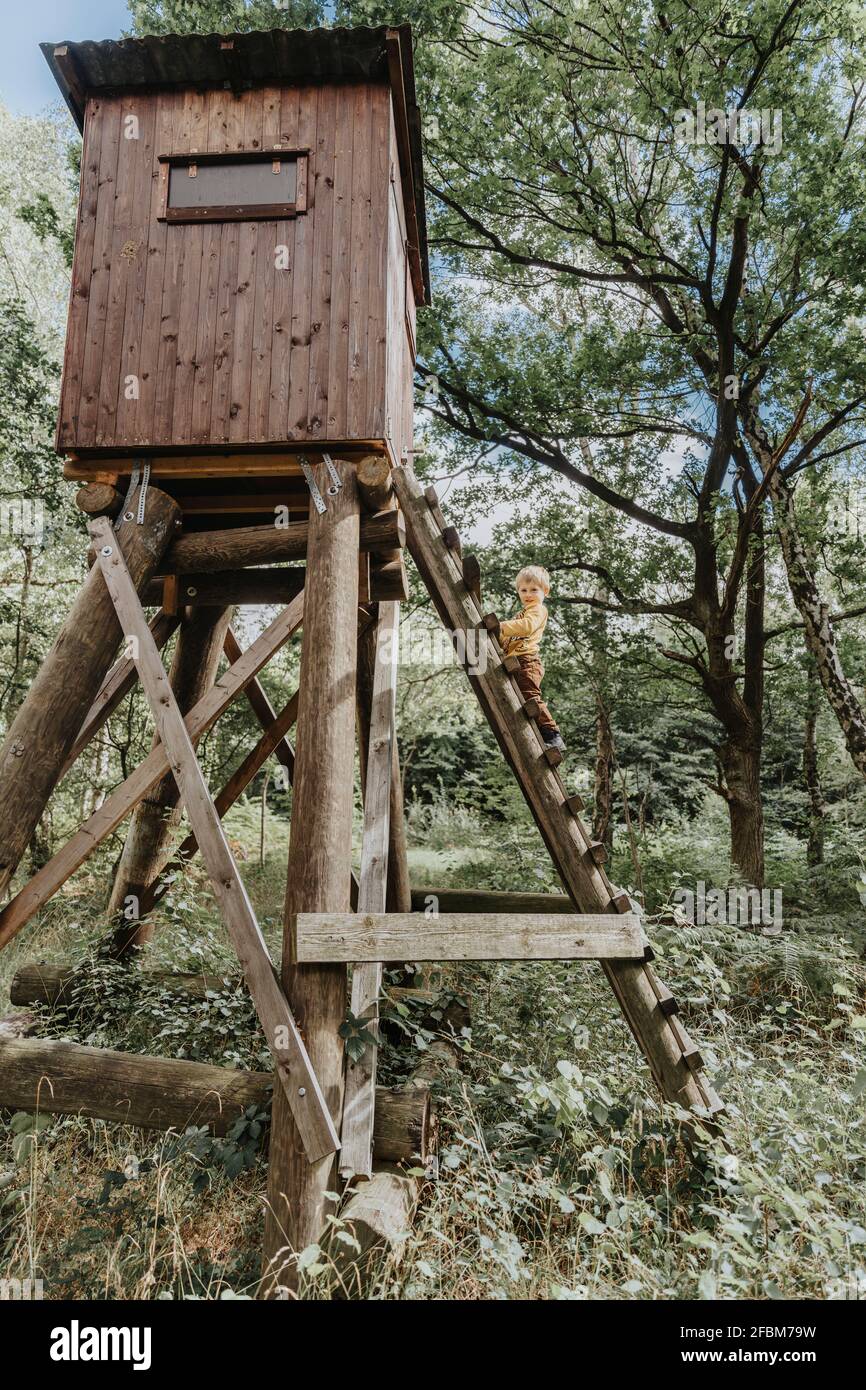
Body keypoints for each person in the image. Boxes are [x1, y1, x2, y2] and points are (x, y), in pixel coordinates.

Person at [496, 565, 565, 753]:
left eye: (534, 590)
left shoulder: (537, 610)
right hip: (518, 661)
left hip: (528, 662)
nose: (528, 594)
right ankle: (540, 735)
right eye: (523, 590)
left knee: (531, 698)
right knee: (520, 701)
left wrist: (501, 626)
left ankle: (552, 734)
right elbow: (510, 639)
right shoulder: (522, 614)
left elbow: (527, 627)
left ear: (545, 591)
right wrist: (499, 637)